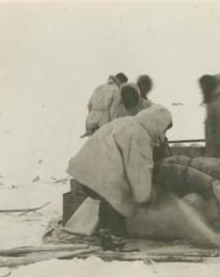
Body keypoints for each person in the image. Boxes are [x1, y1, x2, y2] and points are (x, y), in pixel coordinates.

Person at [67, 104, 173, 250]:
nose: (162, 133)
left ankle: (105, 236)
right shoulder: (139, 135)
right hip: (104, 171)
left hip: (88, 167)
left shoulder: (127, 122)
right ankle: (117, 242)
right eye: (163, 129)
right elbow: (138, 168)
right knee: (119, 200)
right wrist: (145, 196)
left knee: (106, 198)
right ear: (157, 124)